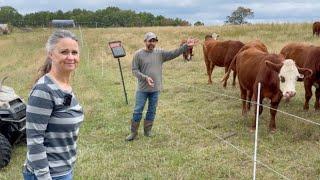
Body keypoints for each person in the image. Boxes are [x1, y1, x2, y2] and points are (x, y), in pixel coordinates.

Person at [22, 30, 84, 180]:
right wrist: (44, 177)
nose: (71, 57)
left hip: (63, 169)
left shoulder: (64, 85)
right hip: (48, 174)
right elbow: (34, 139)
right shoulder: (44, 90)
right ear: (50, 54)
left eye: (74, 52)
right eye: (64, 52)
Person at [126, 32, 198, 141]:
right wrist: (145, 78)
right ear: (145, 41)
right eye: (150, 41)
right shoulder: (138, 54)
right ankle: (133, 132)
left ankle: (148, 131)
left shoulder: (160, 53)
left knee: (152, 110)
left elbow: (174, 53)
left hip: (155, 89)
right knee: (138, 110)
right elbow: (134, 70)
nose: (152, 43)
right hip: (142, 89)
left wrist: (186, 46)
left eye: (154, 41)